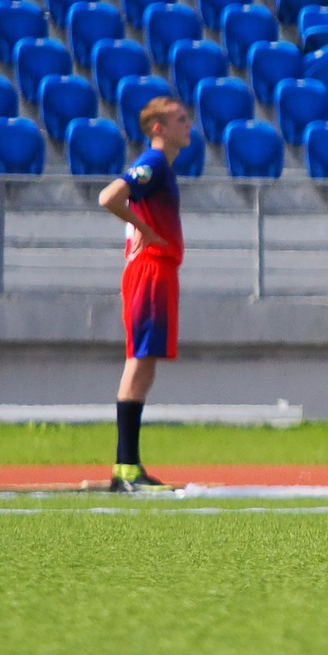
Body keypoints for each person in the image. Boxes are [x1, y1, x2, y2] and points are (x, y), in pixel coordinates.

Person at [97, 97, 194, 493]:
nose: (189, 126)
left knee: (145, 363)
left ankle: (128, 465)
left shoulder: (161, 168)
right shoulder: (153, 163)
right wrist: (143, 228)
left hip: (160, 269)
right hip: (151, 268)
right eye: (180, 120)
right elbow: (109, 197)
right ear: (158, 128)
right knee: (139, 362)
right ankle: (125, 467)